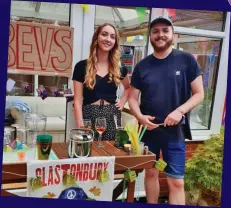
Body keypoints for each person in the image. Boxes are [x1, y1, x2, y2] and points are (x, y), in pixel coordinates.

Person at [128, 16, 204, 205]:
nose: (160, 34)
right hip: (149, 132)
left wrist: (180, 111)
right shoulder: (142, 66)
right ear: (150, 37)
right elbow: (131, 98)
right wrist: (139, 116)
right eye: (155, 31)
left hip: (175, 133)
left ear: (173, 35)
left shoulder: (187, 61)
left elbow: (199, 94)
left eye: (165, 30)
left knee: (177, 182)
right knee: (151, 173)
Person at [72, 23, 130, 141]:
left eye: (112, 37)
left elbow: (128, 88)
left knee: (110, 154)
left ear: (115, 42)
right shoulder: (81, 66)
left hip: (111, 116)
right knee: (88, 156)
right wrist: (80, 125)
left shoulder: (119, 68)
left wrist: (123, 102)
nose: (108, 39)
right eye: (104, 34)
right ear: (97, 37)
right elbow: (77, 101)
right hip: (88, 116)